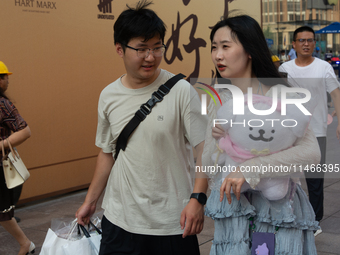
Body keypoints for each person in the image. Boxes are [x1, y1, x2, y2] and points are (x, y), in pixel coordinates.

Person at [76, 1, 208, 254]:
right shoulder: (108, 96)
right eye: (142, 49)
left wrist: (198, 199)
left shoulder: (181, 91)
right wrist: (90, 202)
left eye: (157, 48)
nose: (151, 57)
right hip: (119, 220)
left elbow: (206, 148)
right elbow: (107, 153)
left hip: (172, 222)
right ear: (119, 49)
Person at [202, 15, 321, 254]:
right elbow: (207, 158)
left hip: (273, 209)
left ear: (249, 50)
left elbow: (312, 153)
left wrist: (250, 168)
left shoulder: (280, 94)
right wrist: (198, 196)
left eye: (225, 46)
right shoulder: (221, 97)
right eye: (214, 47)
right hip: (231, 207)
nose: (217, 55)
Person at [279, 26, 340, 237]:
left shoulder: (324, 68)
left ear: (315, 44)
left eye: (310, 40)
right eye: (302, 40)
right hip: (288, 132)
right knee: (285, 178)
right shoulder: (284, 69)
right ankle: (286, 216)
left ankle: (315, 221)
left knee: (315, 180)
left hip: (316, 132)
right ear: (294, 44)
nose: (306, 43)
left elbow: (336, 93)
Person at [0, 61, 34, 255]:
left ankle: (25, 244)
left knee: (2, 212)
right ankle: (25, 243)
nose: (8, 81)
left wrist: (1, 145)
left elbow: (25, 131)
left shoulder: (3, 104)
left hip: (0, 165)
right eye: (5, 77)